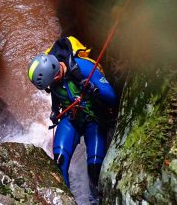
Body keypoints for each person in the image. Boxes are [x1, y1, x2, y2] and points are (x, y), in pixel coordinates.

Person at [27, 37, 117, 204]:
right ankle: (66, 199)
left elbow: (112, 98)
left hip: (93, 119)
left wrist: (94, 89)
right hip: (72, 120)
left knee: (95, 166)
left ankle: (96, 199)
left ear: (54, 76)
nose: (49, 88)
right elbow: (56, 96)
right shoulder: (53, 80)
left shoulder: (83, 68)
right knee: (59, 162)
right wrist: (55, 111)